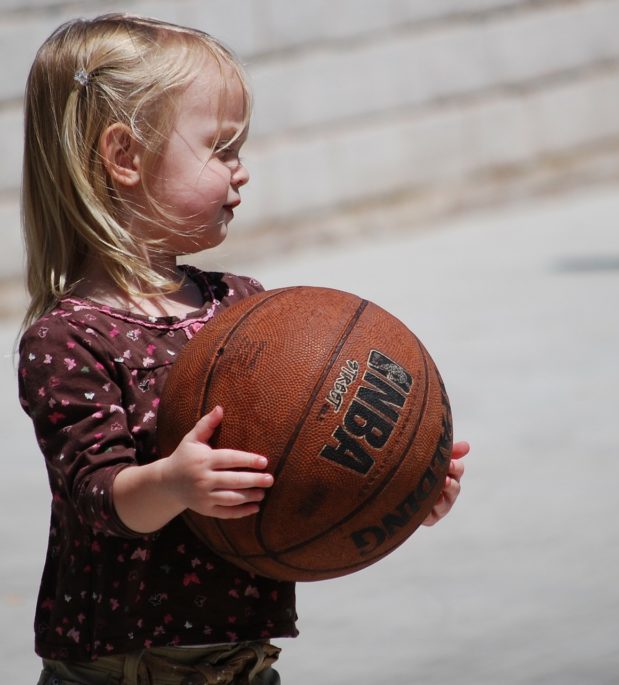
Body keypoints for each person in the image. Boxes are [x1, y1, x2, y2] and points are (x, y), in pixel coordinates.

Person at [18, 14, 468, 685]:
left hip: (240, 661)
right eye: (222, 148)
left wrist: (397, 480)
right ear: (125, 157)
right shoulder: (68, 337)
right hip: (122, 666)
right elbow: (98, 494)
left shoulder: (241, 307)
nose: (242, 171)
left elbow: (294, 464)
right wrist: (175, 481)